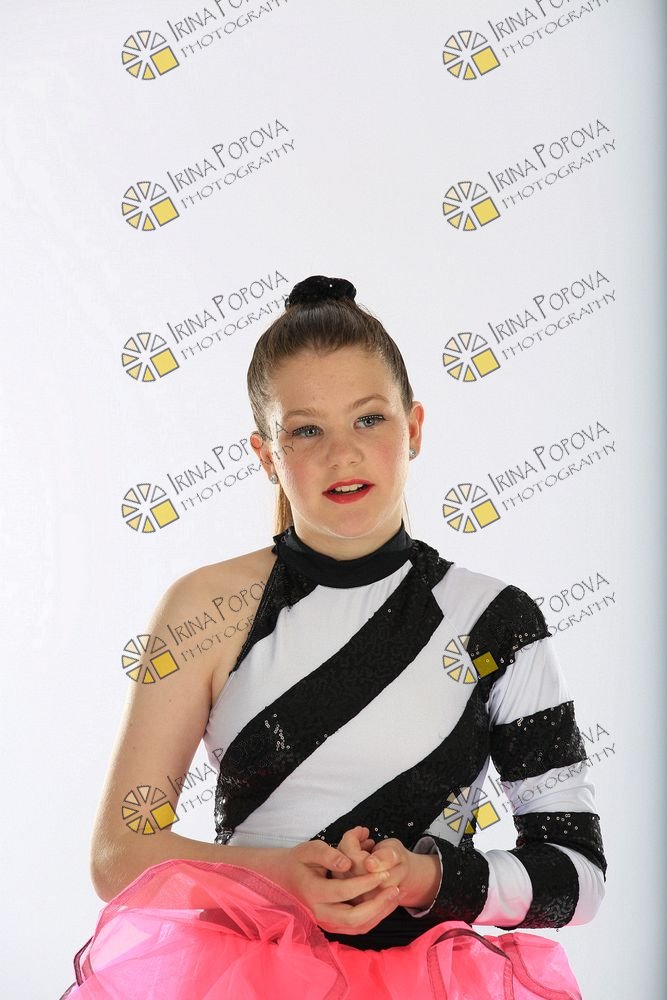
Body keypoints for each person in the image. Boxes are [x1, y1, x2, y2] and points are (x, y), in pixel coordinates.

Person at [60, 276, 606, 999]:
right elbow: (119, 854)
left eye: (369, 419)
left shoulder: (495, 620)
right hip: (244, 977)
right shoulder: (208, 609)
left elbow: (578, 877)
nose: (342, 454)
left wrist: (427, 878)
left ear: (414, 427)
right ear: (266, 454)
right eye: (306, 430)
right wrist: (277, 877)